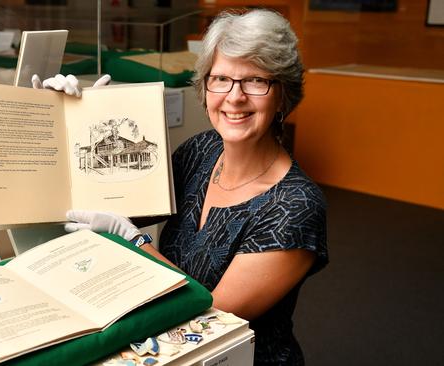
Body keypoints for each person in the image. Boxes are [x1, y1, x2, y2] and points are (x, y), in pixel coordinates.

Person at [34, 9, 327, 365]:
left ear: (283, 95)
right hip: (164, 343)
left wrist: (135, 240)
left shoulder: (296, 205)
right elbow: (107, 210)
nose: (234, 97)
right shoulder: (200, 150)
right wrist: (65, 119)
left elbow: (211, 314)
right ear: (205, 88)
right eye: (220, 79)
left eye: (255, 81)